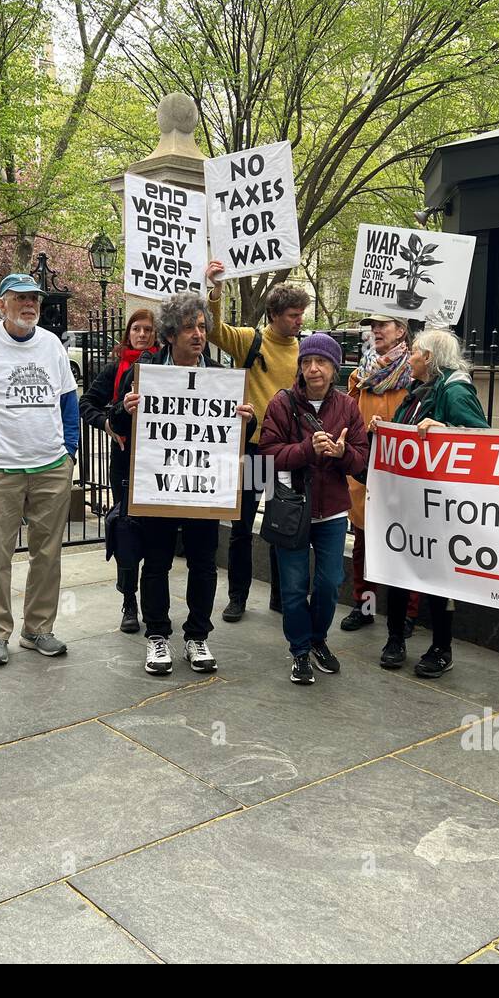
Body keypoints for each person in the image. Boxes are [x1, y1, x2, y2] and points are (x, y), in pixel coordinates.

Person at [110, 294, 255, 675]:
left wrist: (247, 420)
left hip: (203, 486)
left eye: (203, 327)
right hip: (158, 486)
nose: (198, 334)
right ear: (171, 334)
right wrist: (124, 410)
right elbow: (117, 424)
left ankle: (197, 635)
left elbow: (233, 434)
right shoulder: (144, 370)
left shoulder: (221, 376)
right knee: (156, 562)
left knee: (204, 564)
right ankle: (157, 635)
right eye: (189, 327)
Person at [0, 273, 78, 666]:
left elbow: (68, 402)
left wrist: (70, 454)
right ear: (1, 304)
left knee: (48, 552)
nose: (30, 306)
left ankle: (38, 628)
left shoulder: (51, 346)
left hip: (50, 465)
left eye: (35, 300)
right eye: (20, 299)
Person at [369, 328, 489, 676]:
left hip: (439, 506)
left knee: (438, 579)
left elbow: (480, 438)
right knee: (398, 572)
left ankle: (441, 648)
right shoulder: (418, 391)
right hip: (410, 503)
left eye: (416, 352)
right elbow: (406, 433)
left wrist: (445, 428)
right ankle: (395, 639)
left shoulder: (455, 389)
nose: (410, 357)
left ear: (430, 359)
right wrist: (385, 429)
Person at [204, 260, 310, 621]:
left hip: (287, 454)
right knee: (241, 526)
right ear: (275, 314)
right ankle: (237, 597)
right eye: (294, 315)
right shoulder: (252, 340)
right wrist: (216, 290)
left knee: (286, 525)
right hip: (252, 450)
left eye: (301, 315)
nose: (299, 321)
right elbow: (213, 329)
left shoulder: (306, 351)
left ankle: (282, 596)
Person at [260, 333, 368, 685]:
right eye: (307, 362)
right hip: (291, 508)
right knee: (293, 588)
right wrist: (307, 449)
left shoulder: (348, 407)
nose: (313, 369)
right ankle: (300, 651)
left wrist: (342, 454)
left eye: (320, 362)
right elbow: (267, 456)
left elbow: (362, 460)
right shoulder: (282, 403)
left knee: (328, 583)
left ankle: (318, 638)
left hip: (333, 511)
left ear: (334, 368)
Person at [79, 308, 157, 633]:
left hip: (157, 464)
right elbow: (86, 404)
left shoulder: (168, 367)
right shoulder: (115, 368)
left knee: (154, 536)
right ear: (128, 334)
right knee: (126, 531)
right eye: (136, 329)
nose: (141, 334)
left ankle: (155, 601)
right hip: (124, 463)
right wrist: (109, 424)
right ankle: (129, 600)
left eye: (148, 330)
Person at [341, 314, 418, 633]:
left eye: (382, 325)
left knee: (408, 543)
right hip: (366, 470)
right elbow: (350, 411)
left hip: (405, 470)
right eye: (371, 327)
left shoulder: (417, 372)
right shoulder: (361, 374)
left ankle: (409, 614)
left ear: (401, 330)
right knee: (364, 543)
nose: (374, 331)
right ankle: (366, 606)